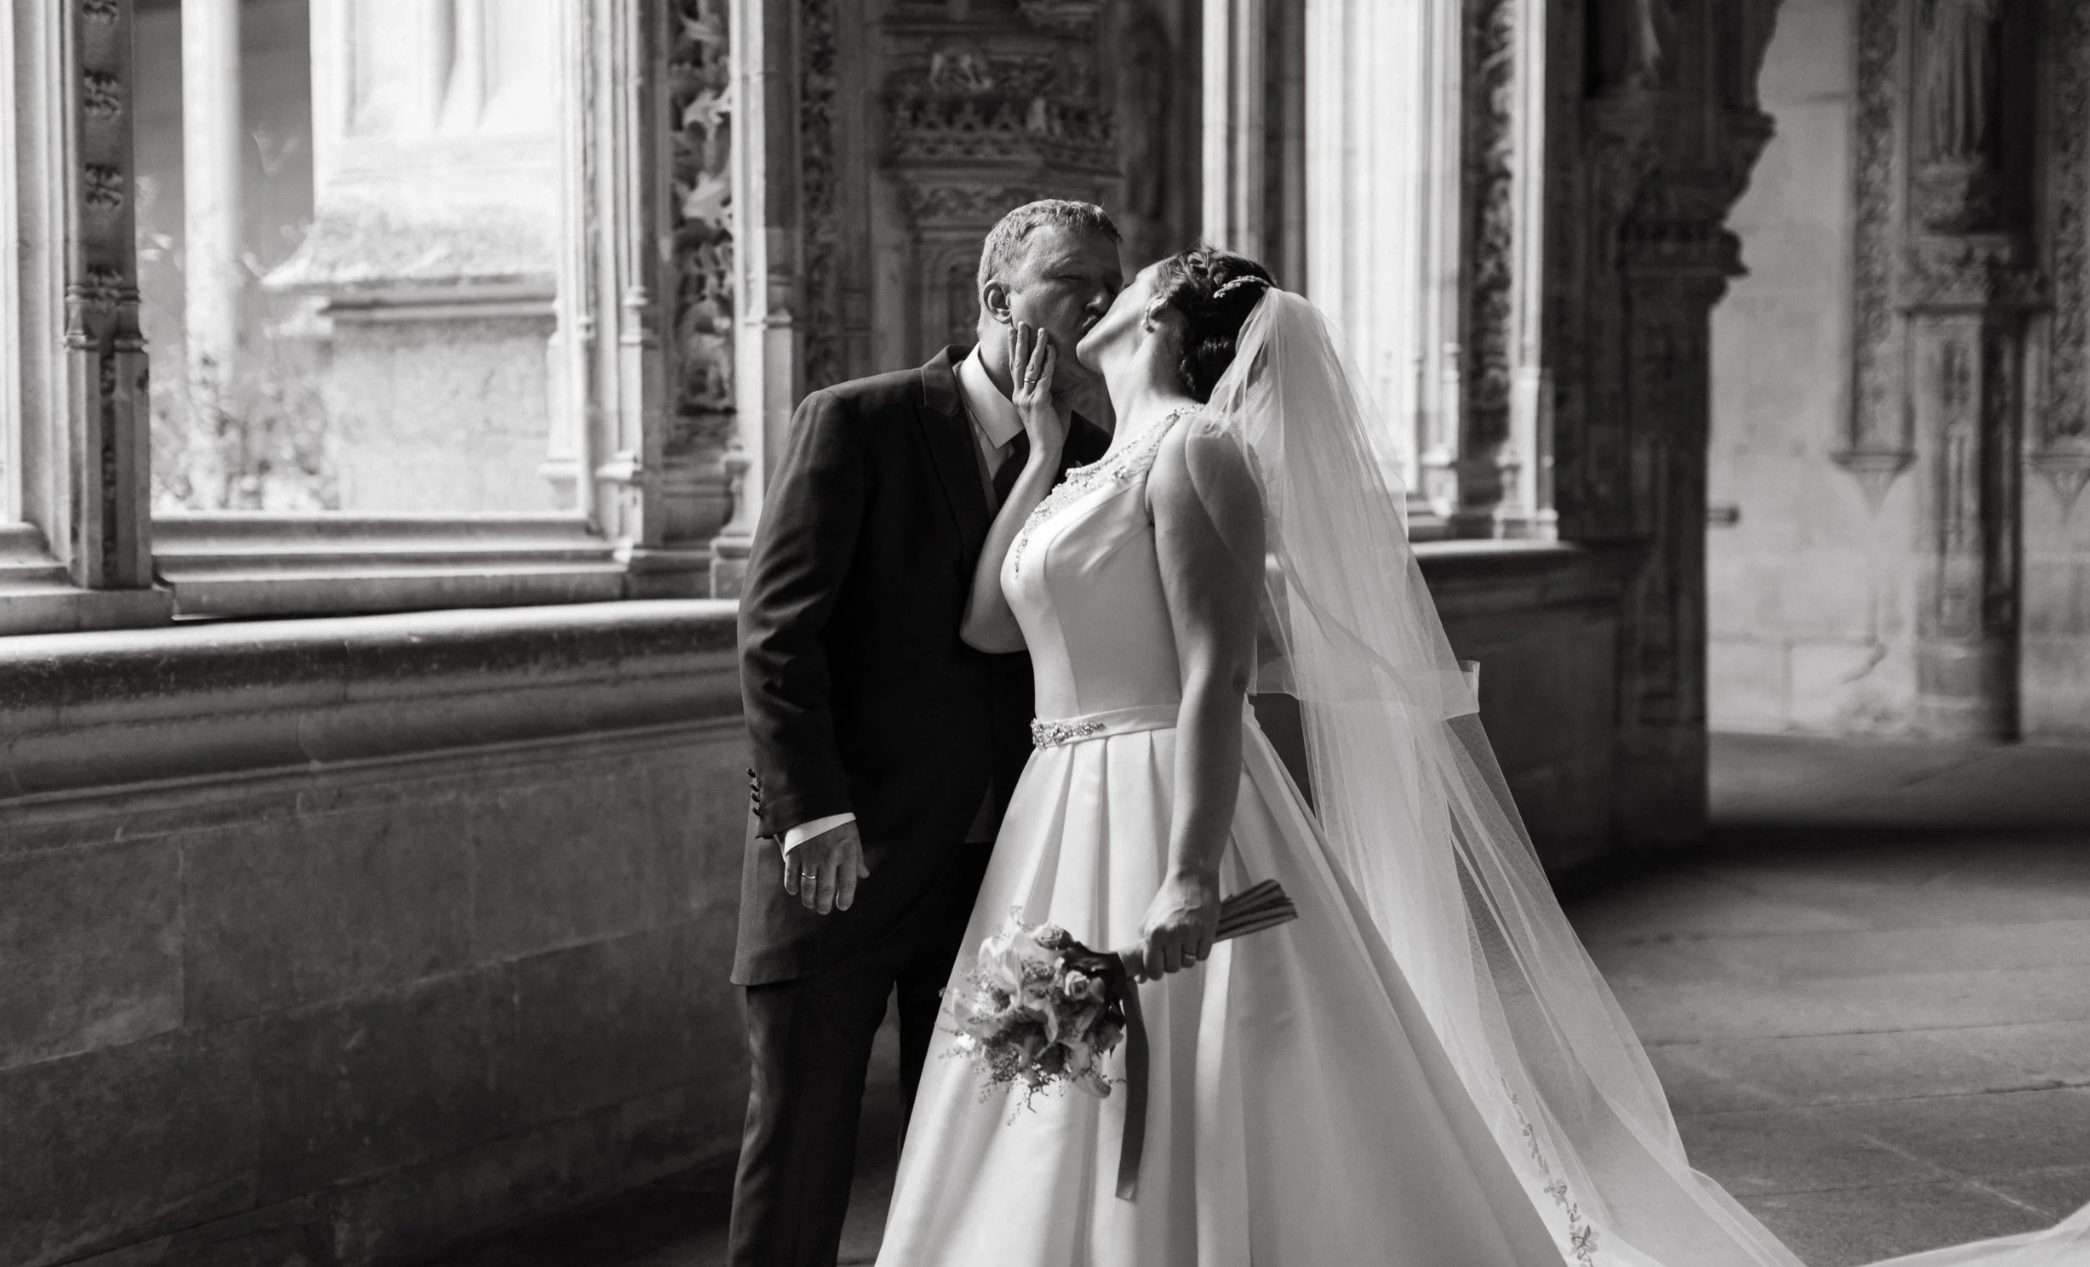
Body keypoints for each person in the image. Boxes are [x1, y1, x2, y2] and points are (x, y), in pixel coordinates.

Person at [873, 247, 2090, 1267]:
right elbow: (989, 627)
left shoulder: (1198, 452)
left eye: (1128, 281)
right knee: (1057, 1084)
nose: (1102, 294)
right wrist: (1039, 453)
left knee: (1212, 1068)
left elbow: (1215, 675)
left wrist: (1190, 871)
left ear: (1162, 319)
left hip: (1162, 794)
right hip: (1059, 798)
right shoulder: (1085, 463)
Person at [728, 200, 1119, 1267]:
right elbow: (777, 632)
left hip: (1002, 873)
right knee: (800, 1150)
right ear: (997, 297)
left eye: (1110, 286)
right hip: (839, 859)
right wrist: (811, 813)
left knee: (965, 1165)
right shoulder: (856, 421)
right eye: (1073, 283)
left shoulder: (1098, 458)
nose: (1097, 306)